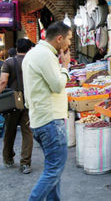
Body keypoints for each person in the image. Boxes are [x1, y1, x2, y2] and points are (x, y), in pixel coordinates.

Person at [22, 21, 72, 201]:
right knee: (53, 171)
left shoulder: (33, 54)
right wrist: (65, 67)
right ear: (59, 39)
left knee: (53, 170)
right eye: (68, 39)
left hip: (39, 119)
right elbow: (58, 85)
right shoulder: (45, 55)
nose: (69, 44)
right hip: (50, 121)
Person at [0, 39, 33, 174]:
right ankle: (25, 163)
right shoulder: (32, 62)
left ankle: (8, 159)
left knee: (9, 131)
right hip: (28, 101)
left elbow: (3, 81)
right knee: (27, 132)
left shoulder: (9, 62)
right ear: (29, 48)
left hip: (12, 102)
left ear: (16, 48)